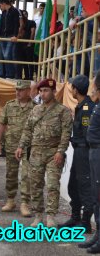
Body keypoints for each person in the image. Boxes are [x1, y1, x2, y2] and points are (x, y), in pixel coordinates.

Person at [15, 78, 72, 227]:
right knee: (35, 184)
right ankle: (38, 215)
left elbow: (66, 133)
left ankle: (51, 216)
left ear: (53, 92)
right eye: (41, 91)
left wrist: (61, 151)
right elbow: (28, 130)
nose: (43, 93)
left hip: (54, 153)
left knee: (53, 185)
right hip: (36, 152)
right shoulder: (35, 109)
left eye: (46, 90)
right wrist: (21, 146)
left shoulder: (63, 111)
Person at [58, 75, 95, 232]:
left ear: (76, 89)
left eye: (72, 87)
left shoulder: (86, 108)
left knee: (84, 187)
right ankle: (75, 218)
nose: (70, 89)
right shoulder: (81, 106)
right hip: (79, 150)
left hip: (84, 152)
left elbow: (87, 131)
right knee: (73, 185)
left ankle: (85, 223)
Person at [0, 80, 35, 217]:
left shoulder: (35, 107)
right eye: (16, 89)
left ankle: (25, 203)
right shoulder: (9, 105)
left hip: (28, 147)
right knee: (11, 174)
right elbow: (1, 123)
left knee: (26, 175)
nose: (17, 92)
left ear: (28, 91)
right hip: (11, 145)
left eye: (21, 89)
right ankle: (11, 200)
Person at [79, 71, 100, 253]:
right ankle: (97, 236)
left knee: (99, 196)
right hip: (93, 151)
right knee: (95, 196)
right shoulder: (97, 104)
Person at [0, 0, 20, 79]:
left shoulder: (14, 11)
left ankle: (10, 74)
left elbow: (16, 24)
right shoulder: (3, 13)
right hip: (2, 37)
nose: (0, 7)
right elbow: (1, 25)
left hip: (10, 36)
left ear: (3, 3)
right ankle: (3, 74)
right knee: (1, 56)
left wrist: (15, 35)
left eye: (0, 5)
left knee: (7, 55)